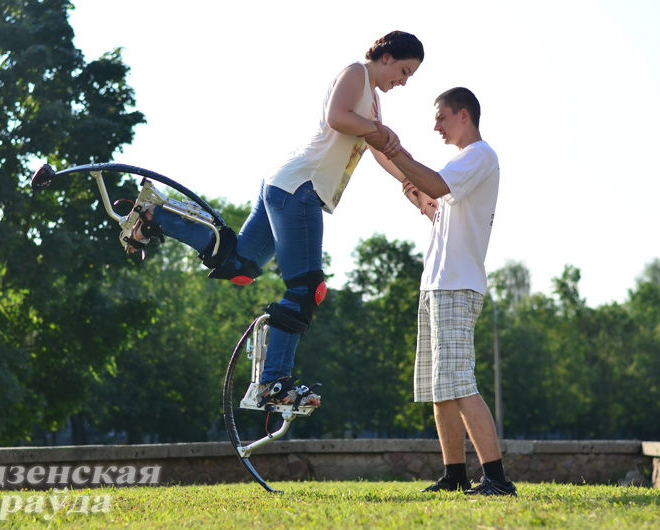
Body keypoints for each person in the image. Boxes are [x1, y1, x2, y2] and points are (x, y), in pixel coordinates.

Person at [132, 31, 425, 408]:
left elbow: (381, 148)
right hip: (299, 190)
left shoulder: (372, 100)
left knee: (239, 265)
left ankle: (156, 213)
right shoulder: (357, 73)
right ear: (386, 56)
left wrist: (414, 184)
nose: (403, 82)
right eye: (404, 71)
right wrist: (379, 131)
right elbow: (338, 118)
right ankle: (273, 382)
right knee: (306, 289)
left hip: (285, 185)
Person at [364, 87, 516, 496]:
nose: (436, 126)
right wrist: (373, 132)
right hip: (436, 284)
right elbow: (428, 193)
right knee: (440, 388)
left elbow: (431, 180)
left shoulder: (479, 155)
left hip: (456, 285)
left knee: (459, 382)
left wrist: (395, 150)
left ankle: (497, 479)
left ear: (463, 115)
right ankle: (454, 476)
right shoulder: (460, 164)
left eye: (441, 117)